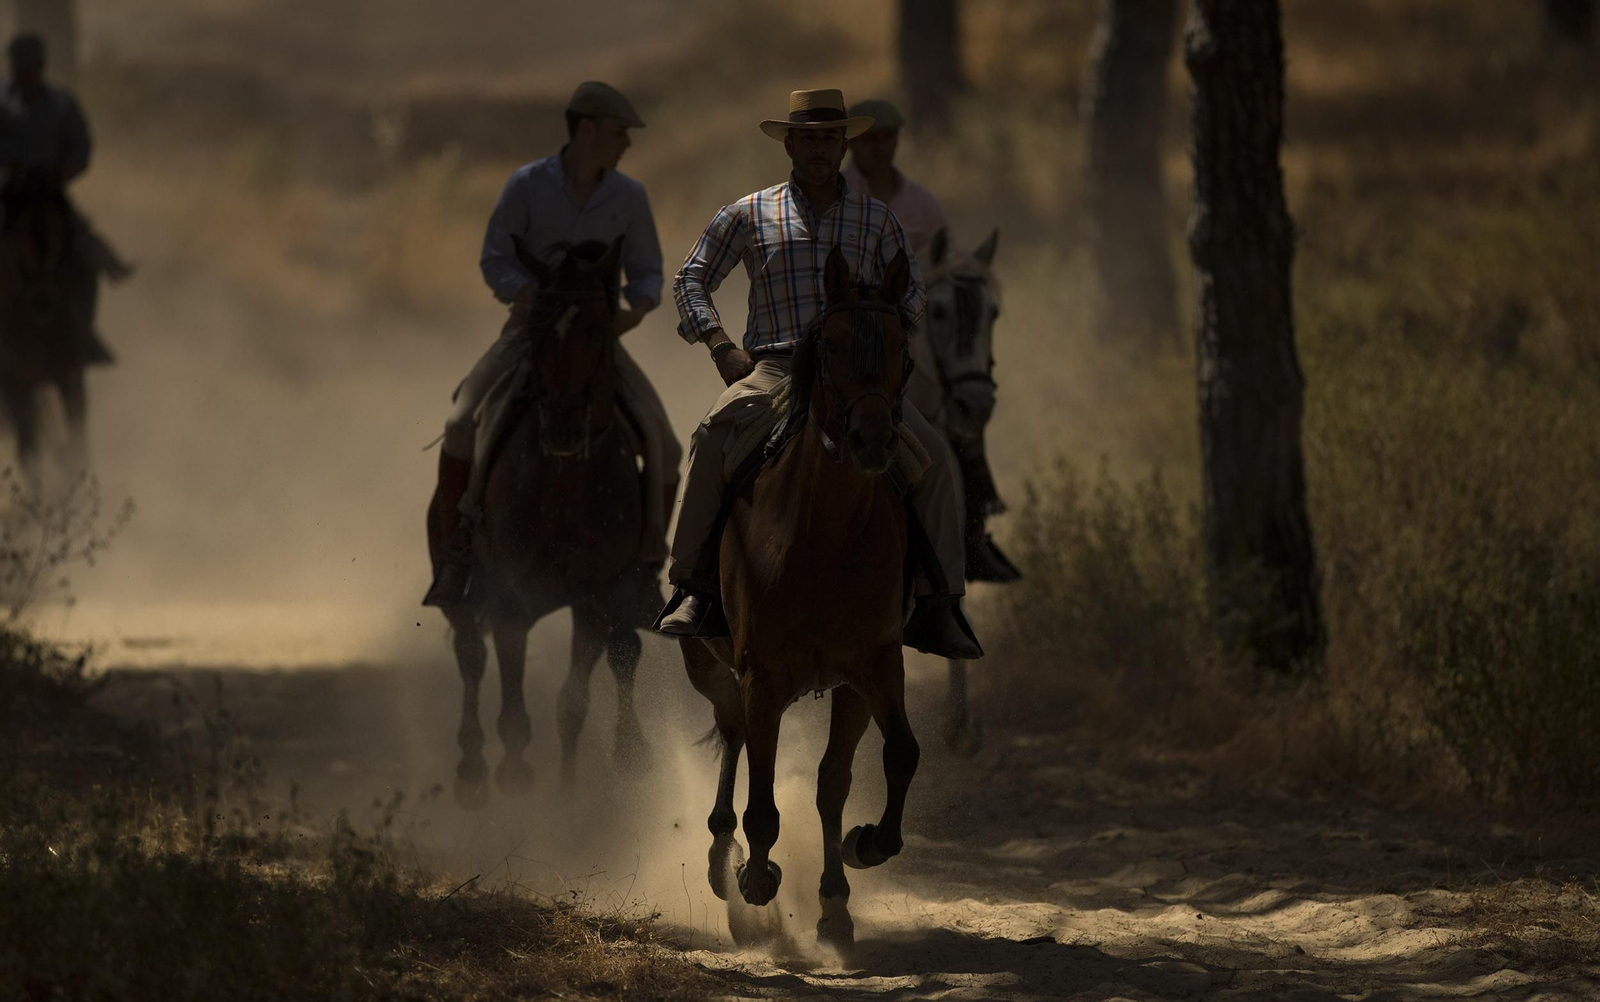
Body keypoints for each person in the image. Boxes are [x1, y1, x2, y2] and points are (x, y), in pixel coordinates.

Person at [655, 88, 981, 660]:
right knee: (711, 438)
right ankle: (693, 588)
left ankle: (939, 602)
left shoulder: (875, 218)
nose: (820, 149)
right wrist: (718, 345)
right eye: (808, 137)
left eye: (830, 137)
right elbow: (691, 277)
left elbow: (912, 287)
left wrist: (884, 339)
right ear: (789, 142)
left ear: (843, 144)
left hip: (858, 380)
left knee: (933, 462)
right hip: (775, 370)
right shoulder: (749, 212)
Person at [423, 81, 680, 608]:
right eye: (618, 132)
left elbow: (650, 272)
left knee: (666, 445)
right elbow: (495, 257)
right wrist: (531, 300)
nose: (626, 143)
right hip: (528, 333)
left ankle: (647, 562)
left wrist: (634, 310)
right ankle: (457, 552)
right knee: (458, 423)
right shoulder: (526, 186)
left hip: (597, 339)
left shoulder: (629, 197)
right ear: (586, 129)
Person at [0, 31, 130, 364]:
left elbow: (81, 148)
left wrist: (62, 173)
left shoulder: (61, 104)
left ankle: (86, 332)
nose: (25, 74)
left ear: (41, 67)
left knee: (85, 247)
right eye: (20, 68)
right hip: (8, 195)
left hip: (50, 192)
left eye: (30, 67)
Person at [841, 98, 950, 259]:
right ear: (850, 142)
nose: (880, 147)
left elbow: (948, 259)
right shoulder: (834, 193)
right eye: (870, 138)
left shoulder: (922, 203)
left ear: (897, 140)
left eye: (887, 137)